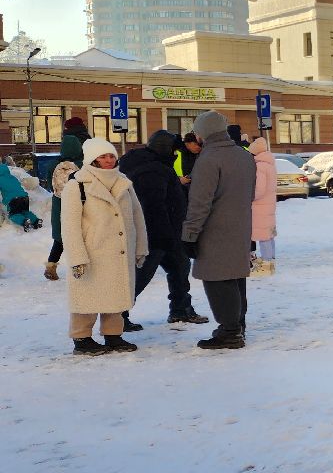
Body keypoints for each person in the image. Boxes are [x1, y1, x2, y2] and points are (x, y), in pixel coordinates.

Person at [61, 137, 148, 355]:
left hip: (119, 251)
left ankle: (113, 335)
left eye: (111, 156)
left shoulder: (124, 182)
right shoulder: (77, 185)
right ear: (93, 159)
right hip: (93, 253)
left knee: (116, 293)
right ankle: (81, 338)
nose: (109, 160)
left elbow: (137, 217)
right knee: (87, 296)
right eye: (103, 156)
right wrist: (77, 257)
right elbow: (70, 226)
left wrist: (140, 247)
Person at [181, 110, 257, 348]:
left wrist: (190, 234)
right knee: (235, 277)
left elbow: (199, 202)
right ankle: (238, 325)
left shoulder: (208, 159)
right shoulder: (244, 156)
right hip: (240, 226)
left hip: (214, 230)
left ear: (203, 133)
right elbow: (250, 193)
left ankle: (230, 332)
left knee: (217, 279)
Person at [118, 130, 206, 324]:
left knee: (180, 267)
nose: (176, 154)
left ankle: (181, 310)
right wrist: (162, 237)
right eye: (174, 150)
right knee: (140, 276)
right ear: (165, 149)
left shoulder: (152, 164)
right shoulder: (153, 170)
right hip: (155, 235)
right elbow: (153, 206)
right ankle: (117, 316)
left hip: (168, 232)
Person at [44, 132, 85, 281]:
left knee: (60, 239)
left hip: (59, 205)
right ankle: (78, 267)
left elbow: (50, 186)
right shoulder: (83, 165)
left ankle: (51, 266)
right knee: (80, 237)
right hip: (78, 205)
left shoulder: (53, 165)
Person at [249, 133, 278, 276]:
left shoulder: (260, 166)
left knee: (263, 235)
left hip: (260, 206)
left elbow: (259, 189)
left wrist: (250, 198)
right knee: (269, 234)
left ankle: (266, 265)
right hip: (269, 204)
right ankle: (270, 262)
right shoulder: (270, 164)